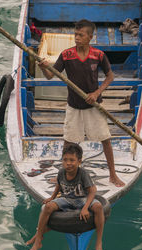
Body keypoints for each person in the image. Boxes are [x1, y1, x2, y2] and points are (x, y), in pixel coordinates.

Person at [38, 19, 125, 187]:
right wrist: (43, 67)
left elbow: (110, 76)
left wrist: (97, 93)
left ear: (90, 37)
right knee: (68, 141)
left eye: (81, 35)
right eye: (75, 34)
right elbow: (50, 75)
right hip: (74, 106)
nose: (77, 38)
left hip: (94, 105)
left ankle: (113, 175)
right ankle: (62, 177)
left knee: (105, 139)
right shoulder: (66, 55)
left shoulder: (98, 55)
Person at [26, 143, 105, 250]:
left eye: (72, 160)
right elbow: (59, 185)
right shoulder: (61, 172)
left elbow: (92, 190)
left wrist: (85, 207)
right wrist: (52, 198)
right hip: (66, 199)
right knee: (47, 208)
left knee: (98, 207)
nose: (68, 163)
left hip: (82, 199)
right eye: (65, 160)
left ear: (79, 161)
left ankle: (98, 242)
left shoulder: (83, 174)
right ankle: (38, 239)